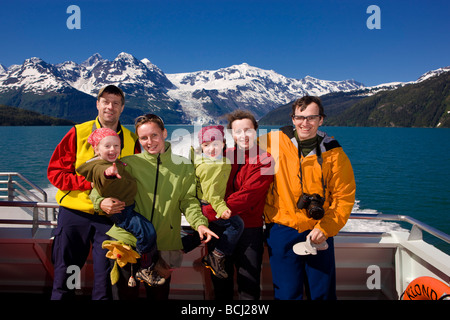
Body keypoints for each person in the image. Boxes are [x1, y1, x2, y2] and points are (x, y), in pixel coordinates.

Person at [90, 113, 218, 300]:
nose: (149, 142)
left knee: (159, 297)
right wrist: (101, 202)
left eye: (154, 135)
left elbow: (188, 200)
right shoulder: (129, 163)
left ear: (164, 133)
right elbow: (99, 187)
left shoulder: (183, 166)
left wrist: (199, 223)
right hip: (128, 244)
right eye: (143, 138)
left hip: (164, 245)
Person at [47, 85, 141, 300]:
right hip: (75, 215)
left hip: (112, 219)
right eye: (106, 101)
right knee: (69, 273)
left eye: (116, 103)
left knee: (107, 280)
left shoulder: (132, 140)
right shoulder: (78, 132)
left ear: (122, 108)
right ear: (97, 104)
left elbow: (135, 181)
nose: (110, 107)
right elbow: (55, 173)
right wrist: (93, 185)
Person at [259, 96, 356, 300]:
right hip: (282, 227)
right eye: (300, 117)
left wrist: (326, 228)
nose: (305, 123)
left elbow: (343, 197)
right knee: (286, 294)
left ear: (321, 120)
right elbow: (236, 152)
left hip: (319, 229)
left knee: (322, 294)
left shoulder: (334, 153)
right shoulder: (271, 141)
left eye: (312, 117)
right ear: (292, 119)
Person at [76, 128, 164, 287]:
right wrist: (109, 173)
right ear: (96, 149)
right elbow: (102, 173)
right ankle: (145, 265)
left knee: (147, 230)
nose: (113, 149)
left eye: (116, 146)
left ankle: (142, 261)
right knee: (147, 231)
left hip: (129, 208)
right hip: (123, 210)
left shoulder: (118, 162)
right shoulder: (100, 166)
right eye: (107, 146)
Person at [201, 110, 274, 300]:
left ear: (256, 131)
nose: (243, 135)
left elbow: (247, 196)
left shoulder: (265, 160)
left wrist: (208, 211)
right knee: (220, 285)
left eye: (248, 130)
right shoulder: (223, 155)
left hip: (249, 231)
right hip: (221, 228)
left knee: (248, 285)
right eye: (238, 131)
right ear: (232, 135)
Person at [192, 125, 244, 279]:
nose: (211, 149)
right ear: (201, 147)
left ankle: (188, 244)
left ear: (223, 144)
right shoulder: (211, 166)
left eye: (216, 144)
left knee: (215, 231)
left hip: (207, 202)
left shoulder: (218, 161)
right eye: (206, 145)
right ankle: (216, 255)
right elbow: (211, 193)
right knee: (236, 225)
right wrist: (221, 208)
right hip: (208, 205)